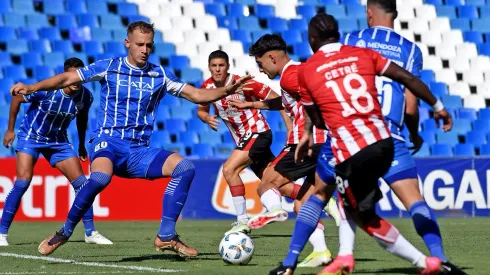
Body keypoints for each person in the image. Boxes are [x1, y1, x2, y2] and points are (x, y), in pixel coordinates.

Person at [10, 21, 251, 257]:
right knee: (100, 178)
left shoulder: (160, 74)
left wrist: (227, 90)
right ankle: (64, 232)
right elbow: (66, 79)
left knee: (185, 168)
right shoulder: (109, 67)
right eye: (140, 44)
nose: (145, 50)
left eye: (149, 45)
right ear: (128, 43)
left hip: (138, 151)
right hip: (107, 142)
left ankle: (166, 235)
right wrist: (33, 87)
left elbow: (197, 94)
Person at [270, 13, 451, 275]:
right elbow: (409, 84)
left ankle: (425, 264)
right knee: (400, 200)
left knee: (331, 198)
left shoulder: (311, 68)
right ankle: (436, 256)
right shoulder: (363, 56)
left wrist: (309, 132)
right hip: (386, 139)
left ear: (312, 39)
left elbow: (316, 117)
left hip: (347, 146)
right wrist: (438, 107)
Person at [339, 1, 465, 274]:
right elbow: (410, 106)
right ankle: (439, 258)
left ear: (369, 13)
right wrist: (415, 133)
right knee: (415, 202)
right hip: (392, 137)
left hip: (357, 136)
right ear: (394, 14)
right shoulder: (410, 50)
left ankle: (341, 256)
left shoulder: (349, 41)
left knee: (345, 200)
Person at [230, 34, 341, 267]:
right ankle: (321, 252)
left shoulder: (291, 74)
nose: (260, 70)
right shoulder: (294, 76)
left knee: (267, 182)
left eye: (260, 64)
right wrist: (251, 104)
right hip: (324, 144)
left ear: (271, 57)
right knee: (303, 204)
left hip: (306, 141)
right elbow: (285, 101)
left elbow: (318, 93)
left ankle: (276, 209)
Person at [0, 58, 112, 246]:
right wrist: (10, 130)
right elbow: (18, 98)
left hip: (57, 141)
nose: (76, 81)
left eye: (79, 77)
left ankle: (90, 232)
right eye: (71, 77)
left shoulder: (85, 96)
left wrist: (82, 145)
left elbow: (82, 119)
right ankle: (2, 233)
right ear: (64, 76)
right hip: (31, 137)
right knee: (22, 182)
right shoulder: (47, 91)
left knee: (83, 184)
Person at [198, 50, 292, 235]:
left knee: (229, 169)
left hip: (258, 133)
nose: (217, 69)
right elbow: (201, 109)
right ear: (209, 67)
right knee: (272, 181)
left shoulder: (242, 83)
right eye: (214, 66)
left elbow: (276, 98)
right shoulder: (207, 87)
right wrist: (206, 118)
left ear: (228, 67)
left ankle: (242, 221)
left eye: (221, 65)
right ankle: (314, 198)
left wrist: (289, 125)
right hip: (245, 140)